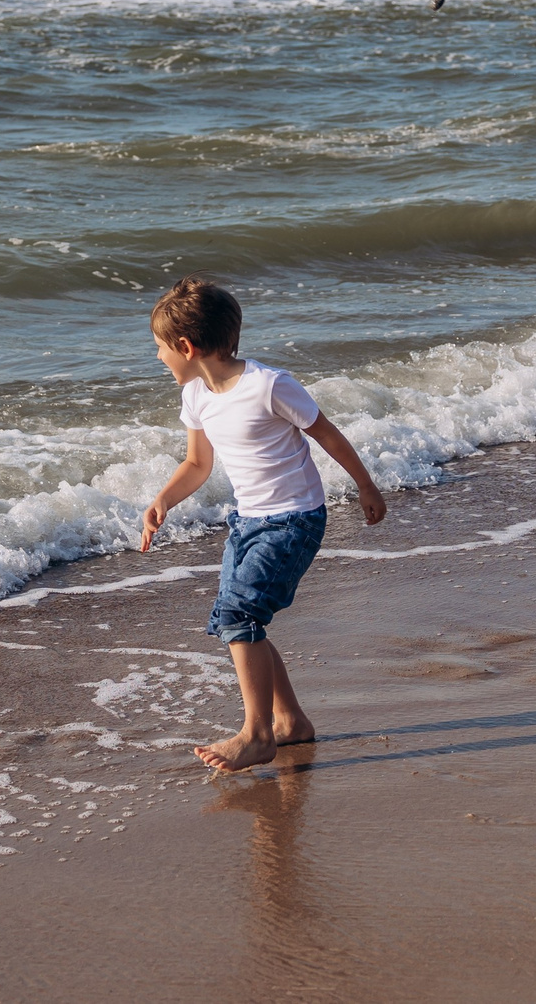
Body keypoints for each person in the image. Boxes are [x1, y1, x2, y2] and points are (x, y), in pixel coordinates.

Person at [141, 277, 388, 770]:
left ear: (186, 347)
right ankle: (289, 722)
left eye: (161, 349)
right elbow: (197, 464)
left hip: (294, 520)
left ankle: (256, 735)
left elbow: (327, 435)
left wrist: (365, 484)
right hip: (247, 522)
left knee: (240, 617)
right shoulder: (197, 396)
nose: (159, 358)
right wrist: (163, 500)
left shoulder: (269, 385)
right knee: (239, 618)